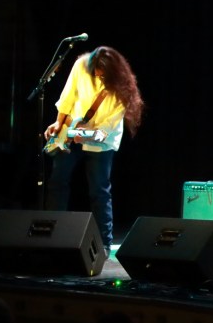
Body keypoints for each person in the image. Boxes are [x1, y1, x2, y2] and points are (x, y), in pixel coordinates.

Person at [43, 46, 145, 256]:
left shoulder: (122, 91)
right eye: (95, 73)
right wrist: (59, 123)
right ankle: (52, 235)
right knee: (57, 182)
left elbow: (104, 131)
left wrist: (83, 136)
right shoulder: (81, 65)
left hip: (101, 140)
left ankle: (104, 244)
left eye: (102, 75)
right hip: (71, 130)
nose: (98, 77)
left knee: (99, 190)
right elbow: (68, 97)